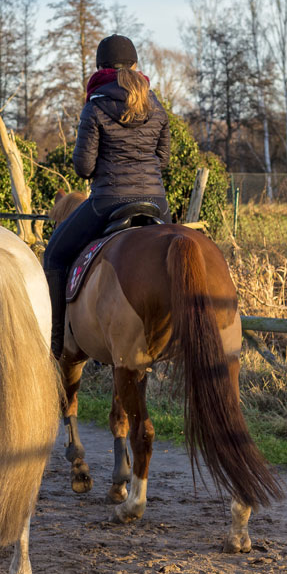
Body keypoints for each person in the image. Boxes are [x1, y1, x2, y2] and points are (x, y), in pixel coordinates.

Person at [44, 34, 171, 359]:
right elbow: (164, 159)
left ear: (100, 66)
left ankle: (54, 342)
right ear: (134, 65)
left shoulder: (96, 105)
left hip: (108, 202)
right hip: (157, 202)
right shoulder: (155, 104)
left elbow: (84, 167)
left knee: (55, 256)